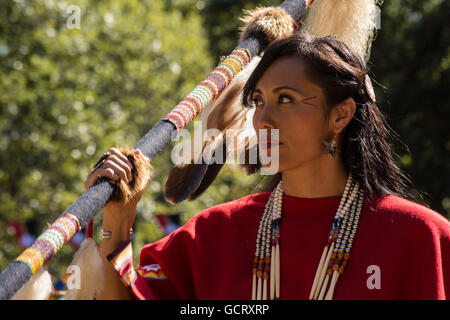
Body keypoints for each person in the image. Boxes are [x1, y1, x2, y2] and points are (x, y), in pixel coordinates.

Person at [84, 33, 450, 300]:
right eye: (259, 101)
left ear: (340, 115)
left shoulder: (420, 238)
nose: (264, 120)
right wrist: (118, 220)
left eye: (286, 99)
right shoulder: (215, 236)